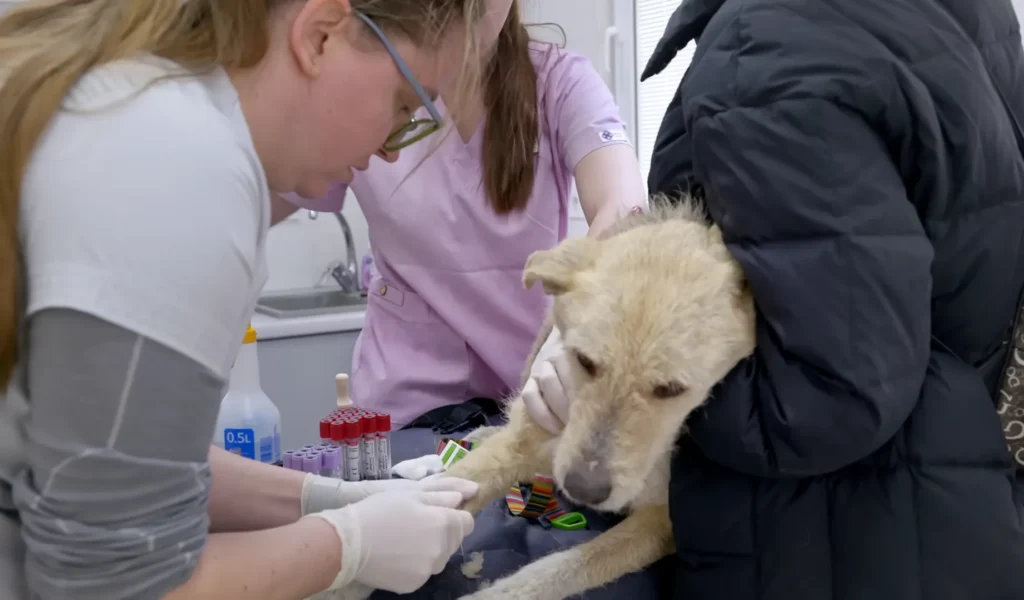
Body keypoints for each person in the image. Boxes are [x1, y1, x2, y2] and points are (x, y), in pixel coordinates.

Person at [0, 1, 504, 598]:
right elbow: (113, 586)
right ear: (319, 35)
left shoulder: (140, 105)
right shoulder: (182, 167)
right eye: (404, 103)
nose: (394, 149)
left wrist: (329, 498)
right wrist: (348, 546)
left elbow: (134, 464)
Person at [526, 0, 1024, 598]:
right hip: (950, 483)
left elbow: (836, 390)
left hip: (826, 530)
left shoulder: (766, 54)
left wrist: (663, 379)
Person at [278, 0, 647, 429]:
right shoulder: (371, 80)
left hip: (524, 403)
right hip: (402, 410)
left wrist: (574, 326)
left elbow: (624, 206)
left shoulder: (559, 84)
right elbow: (272, 188)